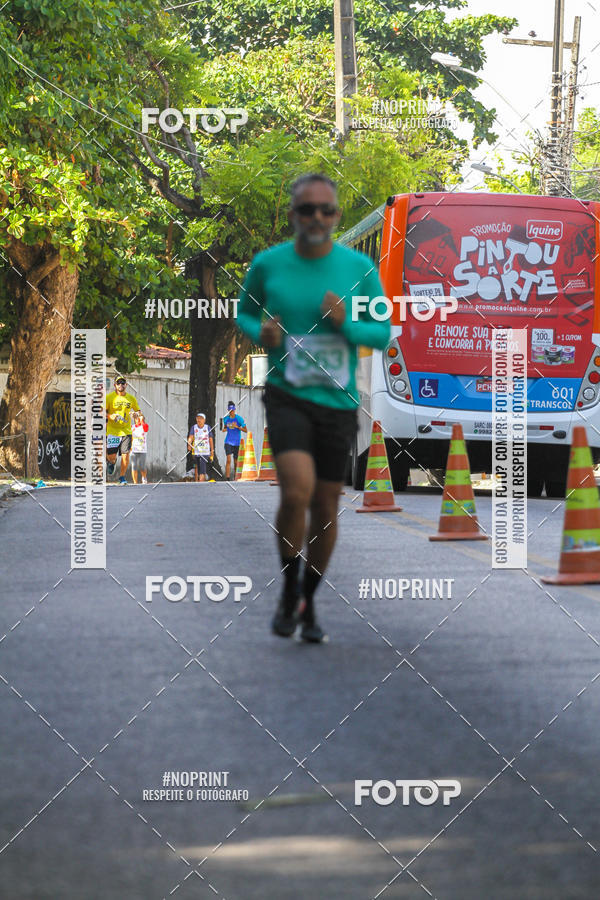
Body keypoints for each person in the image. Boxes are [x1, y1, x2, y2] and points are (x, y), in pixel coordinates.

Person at [236, 173, 390, 642]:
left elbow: (381, 331)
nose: (317, 218)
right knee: (296, 492)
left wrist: (347, 324)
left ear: (336, 215)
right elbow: (245, 312)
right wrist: (259, 332)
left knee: (325, 506)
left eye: (326, 210)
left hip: (336, 402)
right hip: (287, 395)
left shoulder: (358, 268)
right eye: (307, 210)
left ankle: (307, 598)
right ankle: (288, 589)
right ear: (293, 215)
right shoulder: (268, 265)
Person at [105, 375, 140, 485]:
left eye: (123, 383)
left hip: (126, 431)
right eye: (118, 383)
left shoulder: (131, 398)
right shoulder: (109, 397)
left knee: (126, 455)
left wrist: (136, 414)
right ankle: (111, 462)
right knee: (112, 457)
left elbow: (139, 411)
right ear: (115, 385)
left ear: (126, 385)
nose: (121, 385)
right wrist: (110, 416)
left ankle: (122, 477)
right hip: (113, 431)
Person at [221, 402, 247, 480]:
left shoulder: (239, 418)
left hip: (237, 443)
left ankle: (236, 477)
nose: (231, 412)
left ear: (235, 410)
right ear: (228, 410)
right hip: (228, 442)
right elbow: (224, 429)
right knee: (228, 460)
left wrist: (238, 427)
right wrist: (225, 429)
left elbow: (246, 430)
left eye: (232, 410)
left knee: (236, 461)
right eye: (230, 410)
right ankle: (227, 478)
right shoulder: (226, 419)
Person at [188, 412, 214, 482]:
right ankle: (201, 481)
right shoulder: (194, 427)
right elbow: (191, 437)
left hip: (205, 451)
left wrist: (212, 451)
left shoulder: (207, 427)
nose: (199, 420)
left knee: (202, 465)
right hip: (196, 451)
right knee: (198, 467)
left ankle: (201, 482)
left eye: (201, 418)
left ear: (204, 420)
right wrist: (189, 444)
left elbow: (210, 439)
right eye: (198, 418)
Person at [131, 411, 149, 484]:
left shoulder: (145, 426)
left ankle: (144, 477)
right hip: (134, 449)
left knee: (142, 466)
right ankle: (135, 482)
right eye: (136, 418)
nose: (137, 420)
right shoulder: (132, 427)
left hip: (142, 449)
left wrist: (142, 421)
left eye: (139, 418)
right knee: (134, 466)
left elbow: (145, 429)